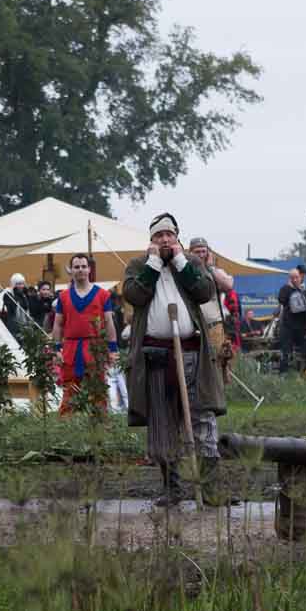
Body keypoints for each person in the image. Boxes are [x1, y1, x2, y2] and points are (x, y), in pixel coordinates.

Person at [122, 212, 227, 505]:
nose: (165, 239)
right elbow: (134, 295)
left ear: (177, 237)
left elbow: (205, 292)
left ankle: (209, 489)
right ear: (151, 240)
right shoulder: (138, 266)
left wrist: (181, 262)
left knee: (201, 417)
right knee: (162, 421)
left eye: (169, 234)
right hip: (156, 355)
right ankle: (173, 488)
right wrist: (154, 264)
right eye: (159, 235)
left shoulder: (191, 264)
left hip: (192, 352)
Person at [52, 253, 117, 414]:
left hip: (95, 349)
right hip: (70, 350)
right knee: (69, 394)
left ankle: (100, 433)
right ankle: (66, 433)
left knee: (98, 394)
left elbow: (109, 323)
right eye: (76, 267)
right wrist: (56, 348)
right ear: (71, 270)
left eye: (83, 266)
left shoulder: (103, 295)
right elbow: (58, 324)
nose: (80, 270)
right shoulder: (63, 296)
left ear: (89, 269)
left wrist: (113, 349)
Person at [189, 236, 237, 379]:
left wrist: (210, 267)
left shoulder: (215, 271)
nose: (201, 255)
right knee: (194, 365)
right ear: (190, 253)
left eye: (204, 251)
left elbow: (228, 285)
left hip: (213, 326)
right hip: (191, 327)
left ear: (209, 253)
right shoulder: (184, 271)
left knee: (216, 365)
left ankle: (217, 399)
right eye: (197, 252)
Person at [276, 268, 306, 373]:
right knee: (286, 351)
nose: (295, 279)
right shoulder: (285, 289)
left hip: (302, 326)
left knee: (304, 352)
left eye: (296, 277)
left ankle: (304, 373)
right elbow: (281, 299)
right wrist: (290, 287)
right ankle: (284, 373)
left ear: (300, 277)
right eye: (292, 277)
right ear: (289, 279)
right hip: (288, 326)